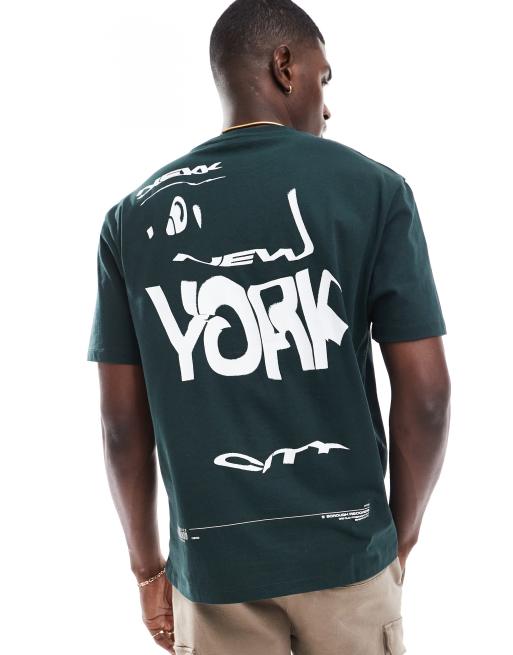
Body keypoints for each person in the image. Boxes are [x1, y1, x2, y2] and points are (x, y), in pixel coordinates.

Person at [86, 1, 451, 653]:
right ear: (285, 66)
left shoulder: (132, 218)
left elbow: (120, 426)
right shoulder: (373, 190)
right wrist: (400, 534)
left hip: (214, 569)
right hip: (348, 555)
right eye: (323, 78)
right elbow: (426, 396)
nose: (327, 106)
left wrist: (147, 570)